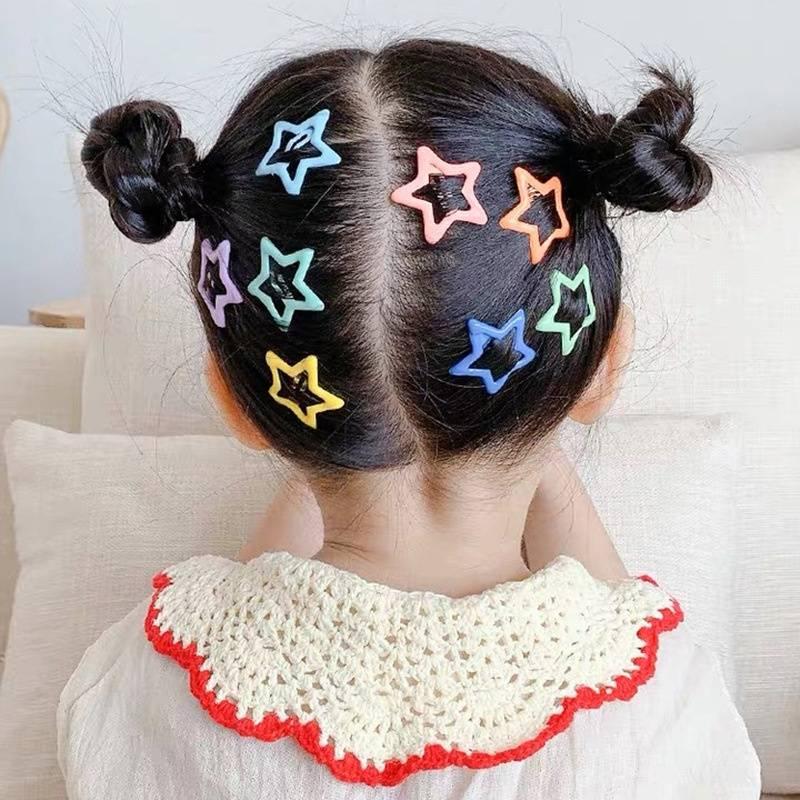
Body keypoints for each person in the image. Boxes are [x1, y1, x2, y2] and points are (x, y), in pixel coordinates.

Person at [57, 39, 760, 799]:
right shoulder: (666, 711)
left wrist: (340, 427)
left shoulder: (146, 685)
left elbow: (241, 611)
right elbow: (620, 645)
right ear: (605, 364)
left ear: (233, 399)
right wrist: (534, 424)